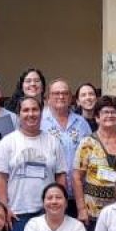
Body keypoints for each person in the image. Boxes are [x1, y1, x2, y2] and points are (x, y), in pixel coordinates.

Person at [0, 96, 67, 231]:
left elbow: (60, 176)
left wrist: (60, 205)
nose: (30, 114)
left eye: (35, 110)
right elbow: (0, 177)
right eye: (25, 110)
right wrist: (4, 208)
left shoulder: (53, 142)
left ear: (42, 113)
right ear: (18, 114)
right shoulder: (8, 142)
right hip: (16, 215)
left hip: (47, 213)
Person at [73, 95, 116, 229]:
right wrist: (81, 209)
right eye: (105, 112)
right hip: (93, 213)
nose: (110, 115)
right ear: (97, 117)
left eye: (113, 112)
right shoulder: (87, 143)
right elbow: (76, 178)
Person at [42, 78, 92, 214]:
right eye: (56, 93)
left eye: (64, 93)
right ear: (48, 98)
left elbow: (91, 155)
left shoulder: (81, 123)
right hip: (50, 196)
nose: (60, 96)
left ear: (70, 98)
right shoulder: (40, 123)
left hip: (80, 195)